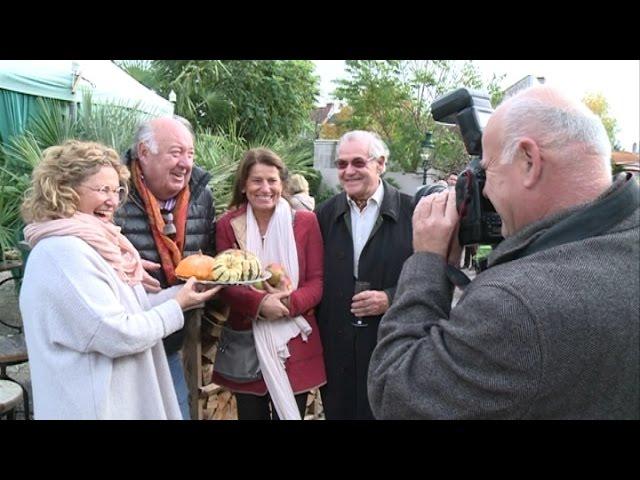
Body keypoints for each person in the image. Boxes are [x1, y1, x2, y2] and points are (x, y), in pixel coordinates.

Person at [368, 85, 639, 419]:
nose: (483, 189)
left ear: (529, 161)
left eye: (487, 170)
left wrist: (427, 260)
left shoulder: (515, 304)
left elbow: (396, 395)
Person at [18, 140, 222, 420]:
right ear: (63, 189)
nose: (113, 201)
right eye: (102, 190)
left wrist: (182, 294)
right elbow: (117, 333)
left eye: (116, 190)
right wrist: (176, 305)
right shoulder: (62, 252)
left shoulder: (98, 244)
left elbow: (126, 313)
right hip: (93, 407)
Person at [210, 148, 326, 420]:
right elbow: (226, 283)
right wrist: (260, 304)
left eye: (272, 180)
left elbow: (317, 281)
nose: (265, 188)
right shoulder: (229, 225)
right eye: (256, 180)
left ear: (282, 184)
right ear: (244, 185)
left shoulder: (306, 223)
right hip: (246, 341)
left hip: (294, 341)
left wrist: (288, 303)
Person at [114, 116, 216, 419]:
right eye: (175, 152)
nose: (185, 163)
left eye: (190, 153)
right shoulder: (111, 191)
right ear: (144, 153)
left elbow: (207, 256)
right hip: (120, 348)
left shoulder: (201, 196)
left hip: (171, 341)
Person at [315, 130, 413, 419]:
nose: (348, 171)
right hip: (337, 346)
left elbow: (437, 278)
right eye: (342, 164)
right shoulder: (323, 215)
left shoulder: (414, 212)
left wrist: (390, 297)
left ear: (380, 163)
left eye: (358, 162)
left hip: (391, 344)